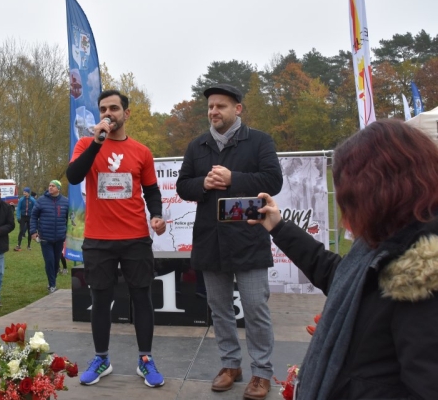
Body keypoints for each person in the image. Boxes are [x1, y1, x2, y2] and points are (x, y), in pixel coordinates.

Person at [250, 119, 438, 400]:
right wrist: (279, 227)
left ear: (374, 193)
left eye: (346, 196)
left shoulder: (421, 282)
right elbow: (340, 277)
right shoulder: (388, 243)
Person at [176, 83, 283, 399]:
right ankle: (230, 366)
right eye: (210, 107)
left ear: (237, 109)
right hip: (210, 241)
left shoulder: (260, 141)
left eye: (220, 106)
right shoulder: (198, 146)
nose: (213, 112)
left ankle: (262, 372)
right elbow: (183, 186)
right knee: (220, 310)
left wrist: (233, 179)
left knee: (254, 308)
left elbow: (273, 180)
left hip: (249, 240)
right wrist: (204, 184)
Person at [66, 90, 167, 388]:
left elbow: (151, 190)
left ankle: (145, 360)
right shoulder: (87, 143)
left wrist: (156, 214)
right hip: (98, 239)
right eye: (103, 109)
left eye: (114, 108)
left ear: (127, 113)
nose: (108, 113)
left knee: (141, 298)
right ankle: (102, 359)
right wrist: (97, 142)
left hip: (135, 237)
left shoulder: (142, 151)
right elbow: (73, 176)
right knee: (100, 300)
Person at [30, 180, 69, 293]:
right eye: (49, 185)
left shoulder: (65, 202)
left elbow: (70, 219)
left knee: (56, 262)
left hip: (59, 238)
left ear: (58, 188)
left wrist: (68, 232)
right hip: (45, 237)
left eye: (53, 186)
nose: (50, 188)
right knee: (50, 261)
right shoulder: (41, 201)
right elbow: (33, 216)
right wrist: (33, 231)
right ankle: (52, 285)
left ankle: (52, 282)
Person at [15, 186, 36, 251]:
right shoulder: (21, 199)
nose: (24, 193)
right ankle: (19, 245)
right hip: (23, 217)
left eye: (25, 192)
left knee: (30, 232)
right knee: (21, 231)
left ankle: (29, 245)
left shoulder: (32, 200)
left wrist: (34, 217)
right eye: (23, 192)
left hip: (30, 217)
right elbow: (18, 208)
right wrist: (18, 217)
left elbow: (35, 208)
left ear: (28, 193)